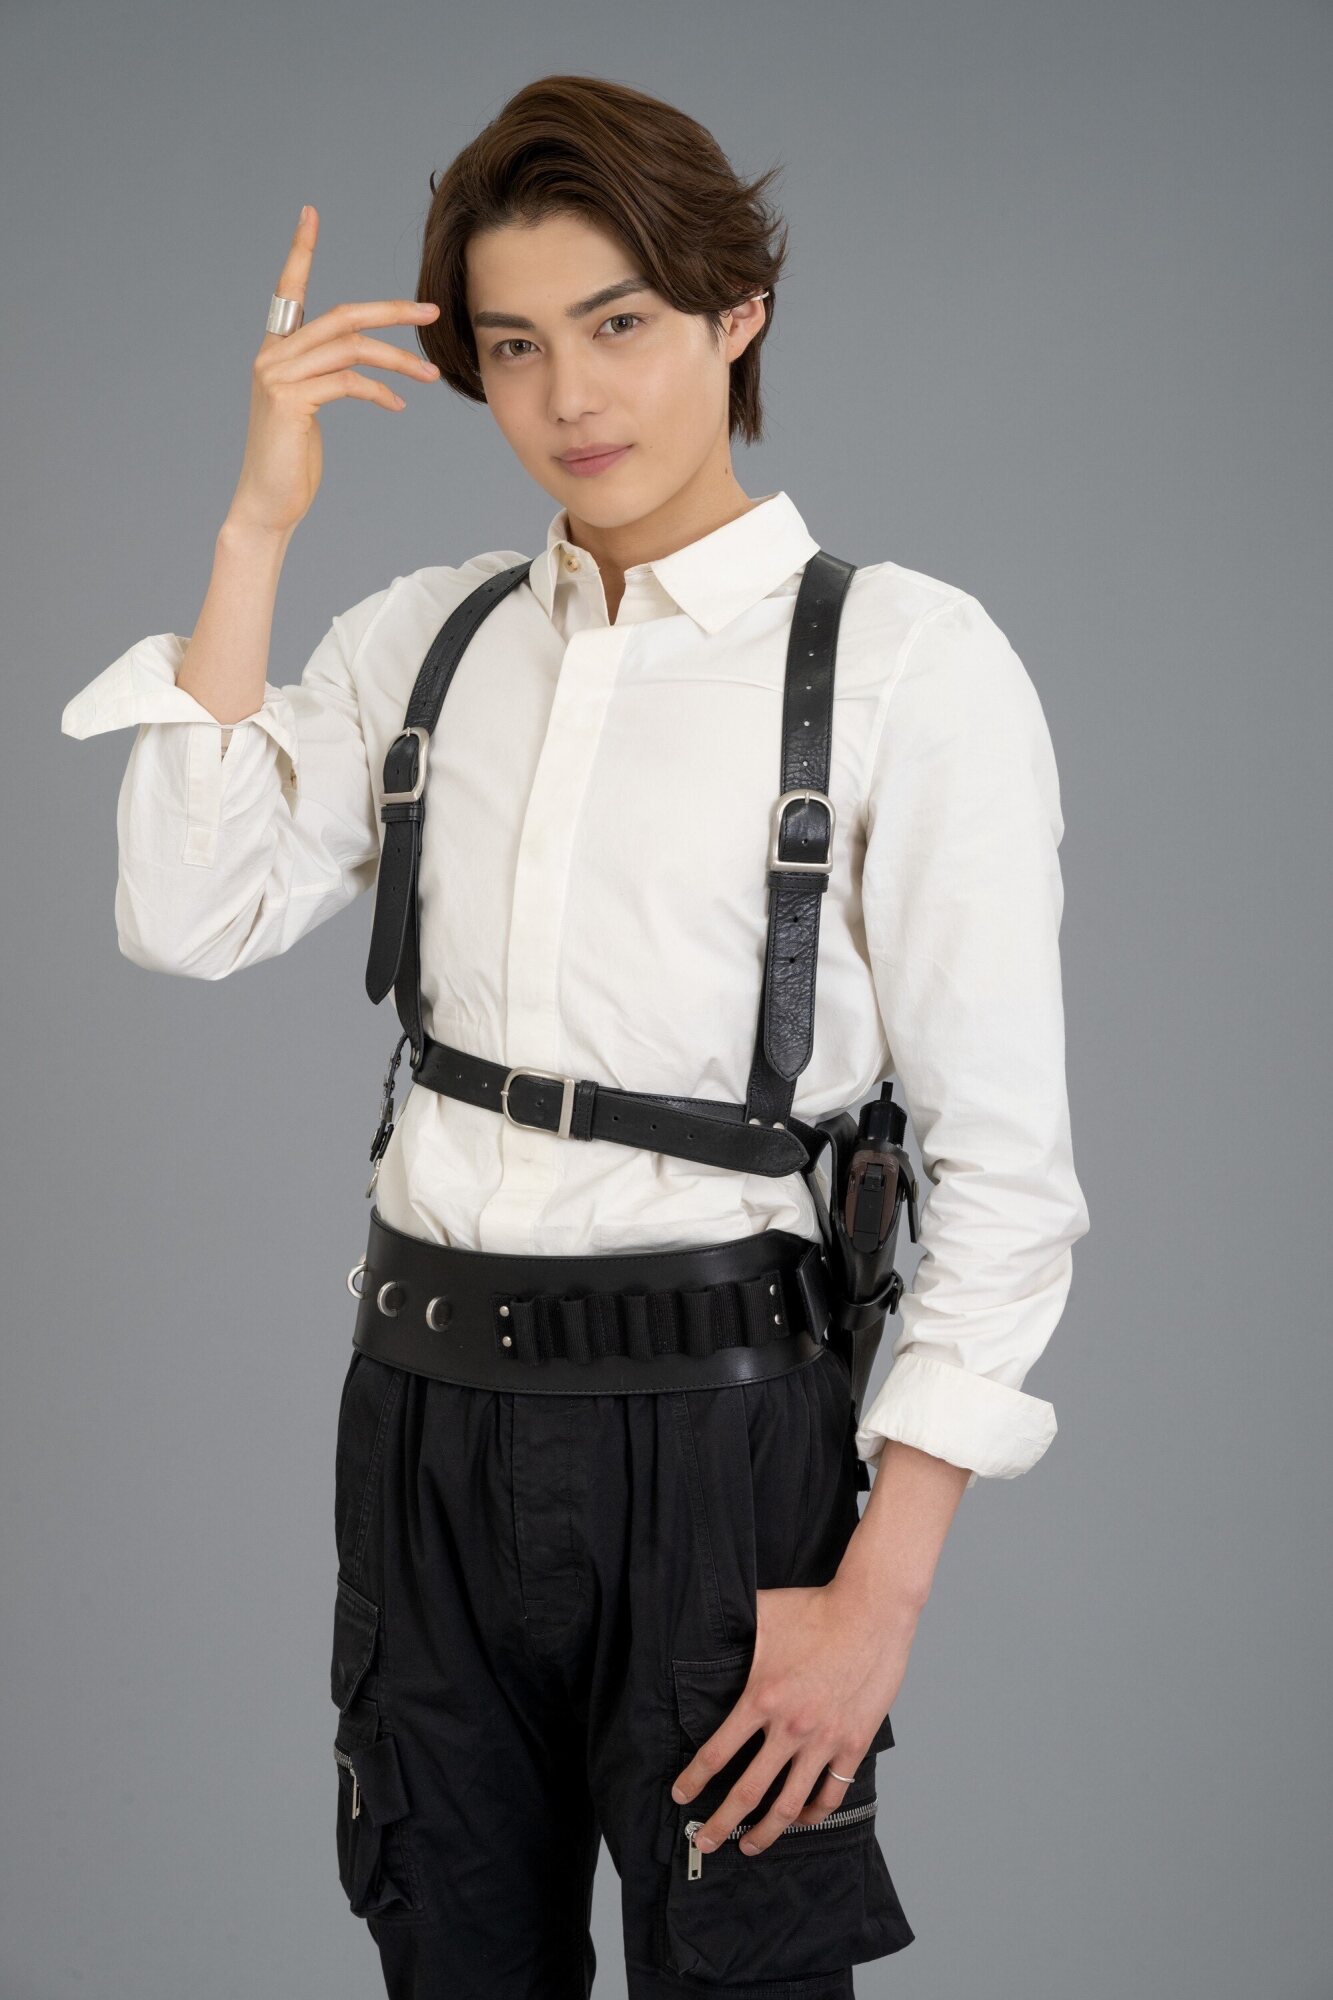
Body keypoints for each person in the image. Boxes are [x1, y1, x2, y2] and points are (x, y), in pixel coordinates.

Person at [60, 71, 1090, 2000]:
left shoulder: (903, 663)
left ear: (735, 311)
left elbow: (1008, 1179)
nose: (569, 397)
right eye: (515, 345)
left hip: (724, 1451)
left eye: (618, 324)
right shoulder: (427, 638)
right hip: (423, 1425)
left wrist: (876, 1597)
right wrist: (256, 524)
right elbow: (185, 916)